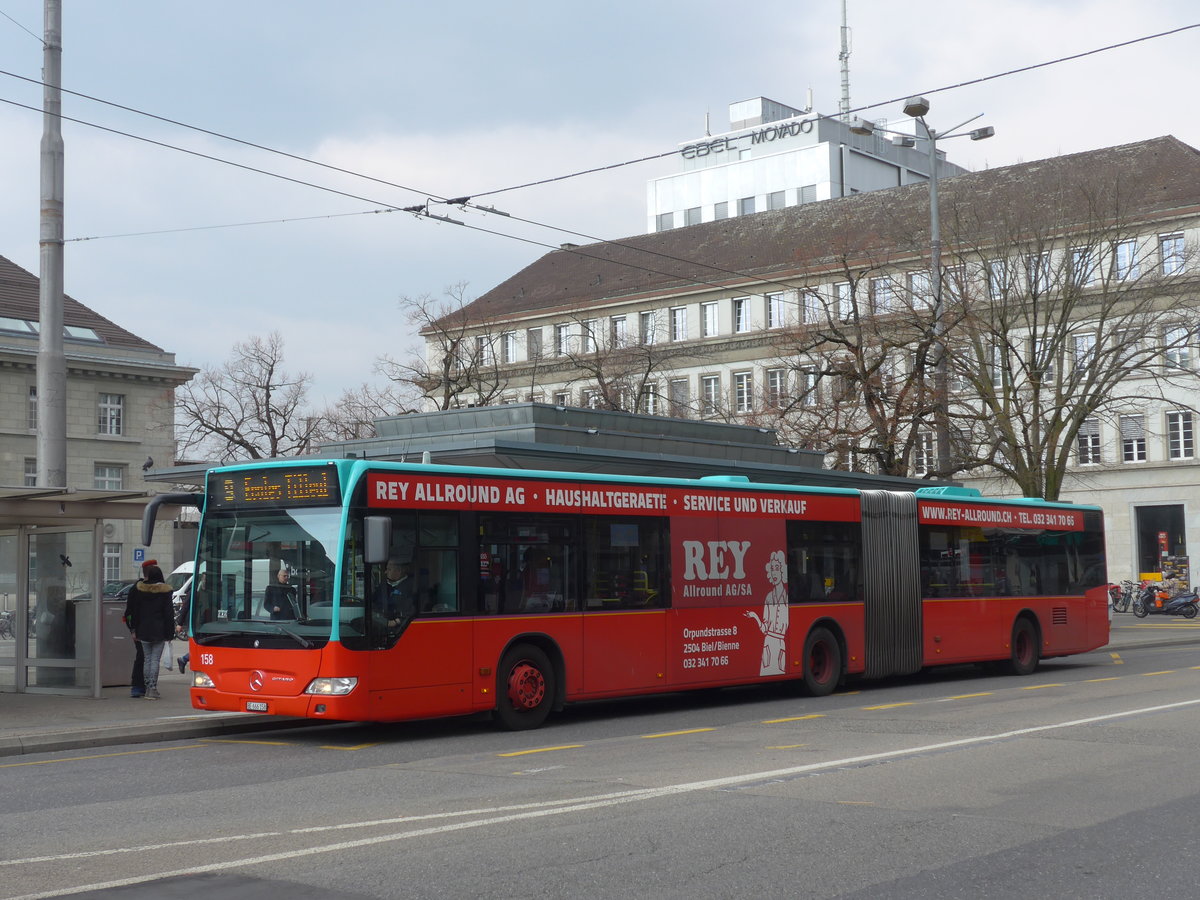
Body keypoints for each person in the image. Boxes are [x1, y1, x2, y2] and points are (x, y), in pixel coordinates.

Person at [125, 563, 174, 700]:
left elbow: (135, 612)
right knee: (154, 660)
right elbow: (168, 614)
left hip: (143, 629)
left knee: (147, 660)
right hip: (159, 630)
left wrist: (134, 629)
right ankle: (152, 689)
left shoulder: (140, 590)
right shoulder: (165, 592)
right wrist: (170, 633)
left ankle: (146, 688)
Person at [124, 558, 157, 698]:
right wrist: (132, 629)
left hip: (148, 628)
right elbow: (129, 612)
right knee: (143, 656)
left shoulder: (157, 587)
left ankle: (144, 685)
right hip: (140, 628)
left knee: (146, 657)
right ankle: (138, 685)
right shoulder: (137, 588)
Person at [379, 558, 415, 626]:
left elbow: (412, 611)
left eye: (389, 569)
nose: (385, 572)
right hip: (381, 622)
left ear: (399, 571)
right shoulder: (383, 585)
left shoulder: (410, 586)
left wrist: (396, 621)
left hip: (399, 627)